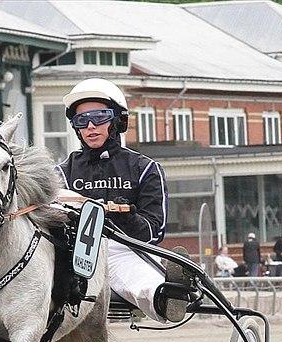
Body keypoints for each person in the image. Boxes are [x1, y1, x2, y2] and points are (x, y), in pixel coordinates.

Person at [58, 78, 188, 322]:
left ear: (118, 120)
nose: (90, 127)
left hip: (123, 251)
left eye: (99, 117)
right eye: (81, 121)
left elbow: (153, 232)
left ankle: (168, 295)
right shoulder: (61, 173)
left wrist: (127, 217)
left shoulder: (145, 168)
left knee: (141, 283)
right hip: (75, 255)